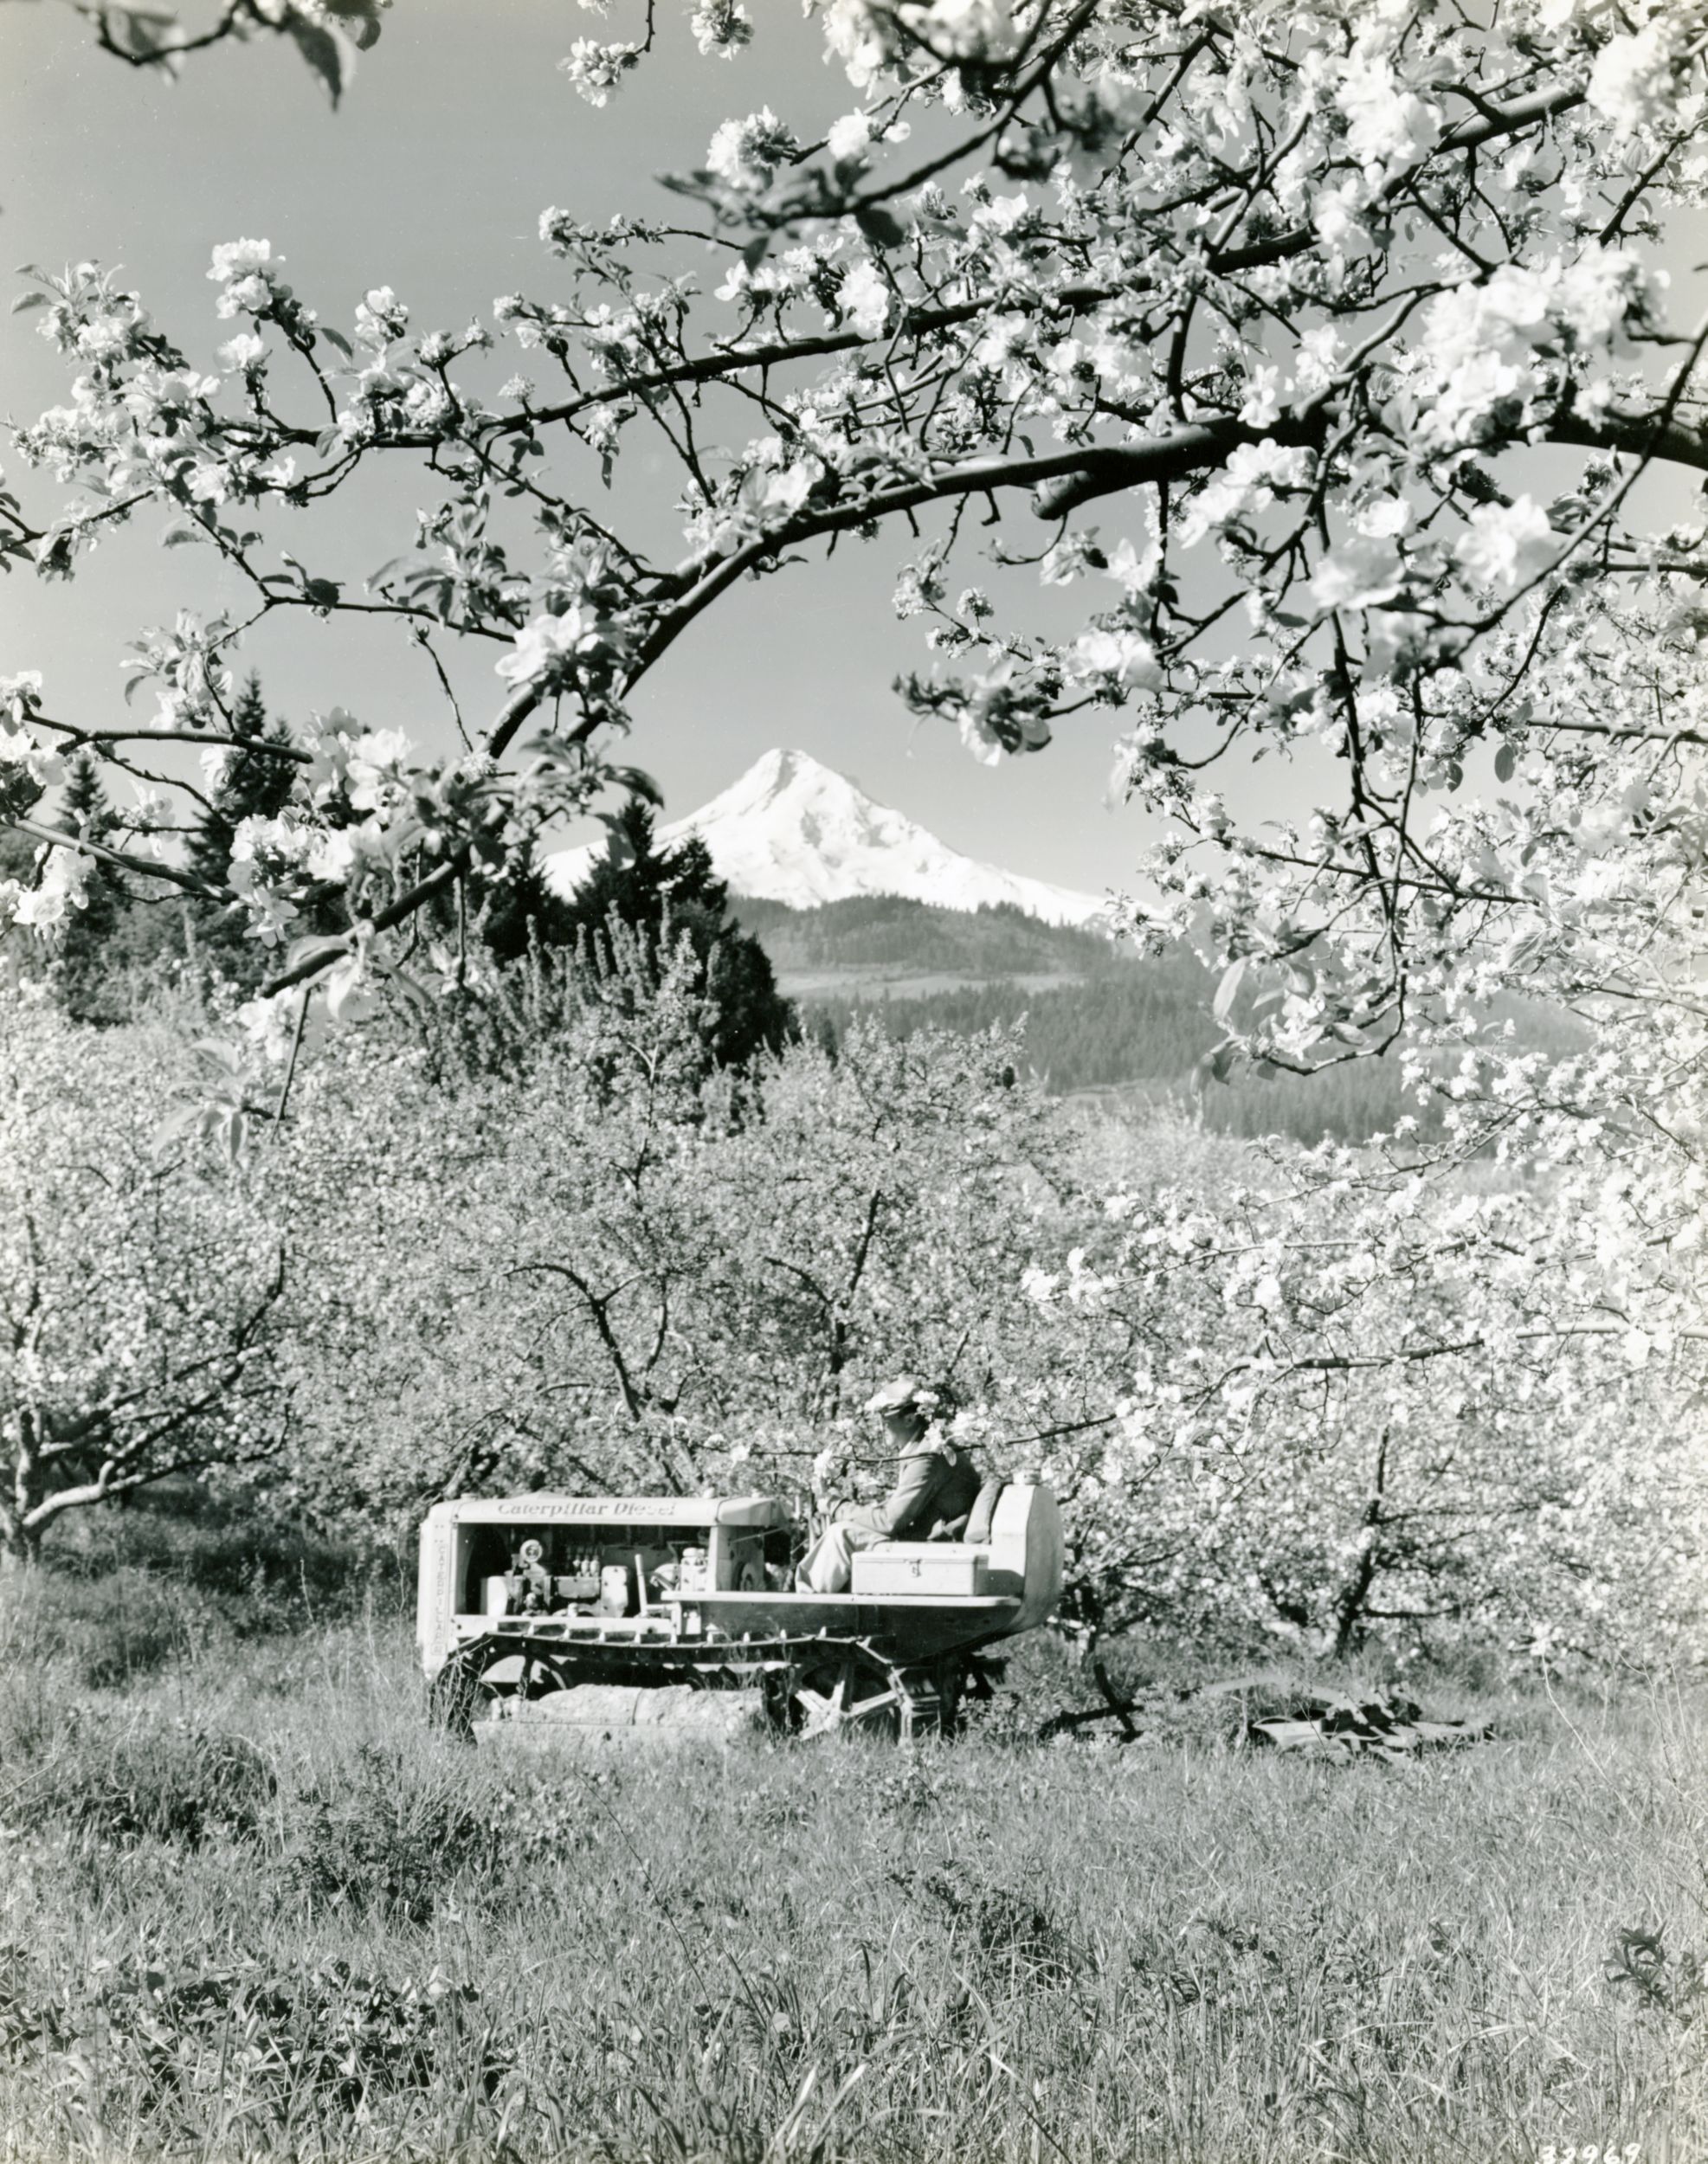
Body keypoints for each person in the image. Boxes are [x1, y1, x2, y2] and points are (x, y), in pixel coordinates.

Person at [796, 1376, 980, 1594]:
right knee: (847, 1532)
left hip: (934, 1547)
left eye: (886, 1420)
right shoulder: (926, 1448)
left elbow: (890, 1522)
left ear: (910, 1419)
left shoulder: (927, 1456)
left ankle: (809, 1614)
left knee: (842, 1534)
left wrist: (837, 1507)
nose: (881, 1428)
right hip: (930, 1541)